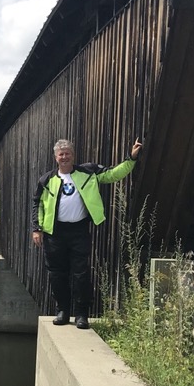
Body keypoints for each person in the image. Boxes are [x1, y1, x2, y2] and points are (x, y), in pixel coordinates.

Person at [31, 138, 142, 329]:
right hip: (54, 233)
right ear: (55, 157)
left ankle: (82, 314)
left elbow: (113, 174)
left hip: (79, 230)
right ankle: (63, 310)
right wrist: (36, 228)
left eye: (67, 153)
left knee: (81, 273)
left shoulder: (88, 172)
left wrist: (130, 158)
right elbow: (37, 204)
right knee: (57, 274)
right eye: (61, 154)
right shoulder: (47, 179)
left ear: (73, 155)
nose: (64, 157)